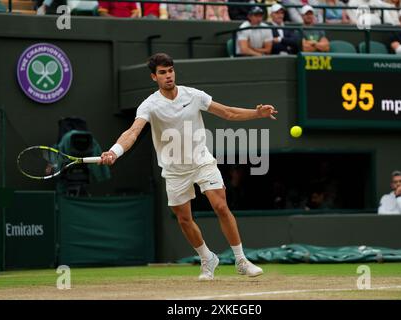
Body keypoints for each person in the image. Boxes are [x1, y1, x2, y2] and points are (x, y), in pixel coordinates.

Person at [100, 53, 277, 280]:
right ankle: (207, 258)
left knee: (220, 206)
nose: (168, 75)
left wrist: (257, 114)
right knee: (184, 219)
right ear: (154, 77)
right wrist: (115, 151)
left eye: (170, 70)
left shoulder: (194, 95)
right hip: (174, 170)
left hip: (202, 161)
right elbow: (133, 132)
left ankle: (241, 260)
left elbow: (227, 112)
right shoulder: (150, 105)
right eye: (162, 72)